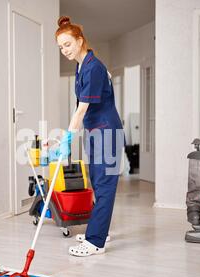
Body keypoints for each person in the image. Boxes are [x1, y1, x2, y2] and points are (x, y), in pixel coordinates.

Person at [51, 16, 124, 257]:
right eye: (61, 47)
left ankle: (95, 242)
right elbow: (81, 107)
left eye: (68, 44)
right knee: (97, 181)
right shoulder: (82, 65)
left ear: (80, 40)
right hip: (96, 132)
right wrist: (68, 137)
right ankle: (100, 231)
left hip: (107, 133)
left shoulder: (93, 67)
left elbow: (81, 109)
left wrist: (68, 140)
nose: (64, 50)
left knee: (104, 185)